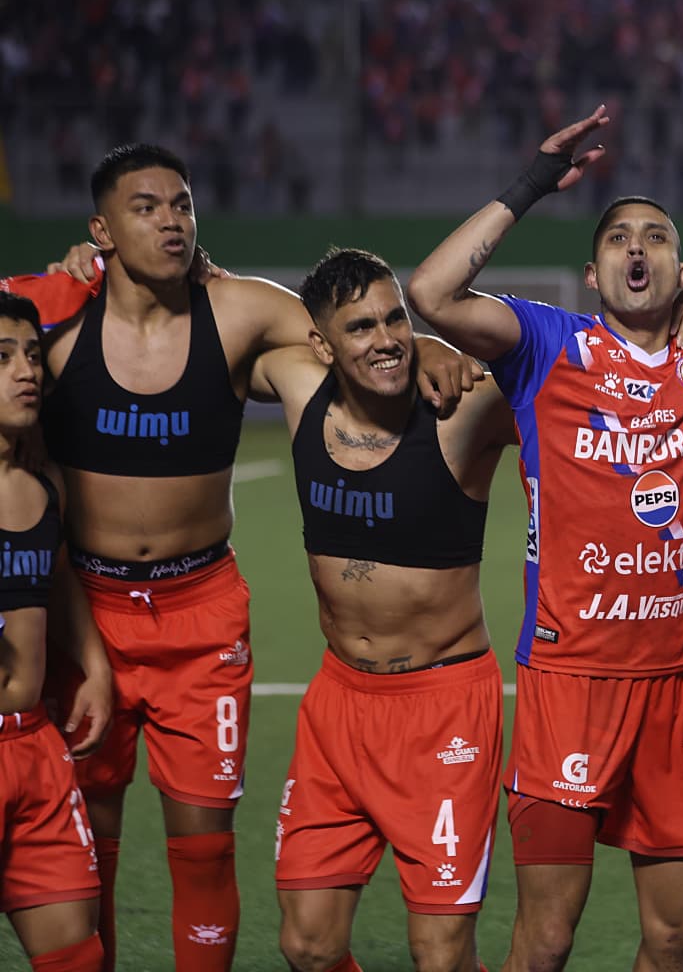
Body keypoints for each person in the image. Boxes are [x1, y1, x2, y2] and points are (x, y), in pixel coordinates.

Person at [22, 143, 477, 972]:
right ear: (101, 229)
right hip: (88, 613)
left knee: (204, 840)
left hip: (199, 614)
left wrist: (432, 348)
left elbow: (353, 345)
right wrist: (62, 278)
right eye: (147, 207)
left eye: (183, 204)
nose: (171, 220)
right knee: (92, 842)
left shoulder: (242, 313)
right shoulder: (56, 328)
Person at [408, 106, 683, 972]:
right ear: (594, 274)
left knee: (679, 935)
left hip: (677, 686)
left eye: (656, 237)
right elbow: (431, 295)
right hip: (568, 686)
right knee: (546, 938)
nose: (637, 249)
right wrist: (528, 187)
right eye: (618, 239)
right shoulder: (551, 345)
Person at [250, 248, 515, 972]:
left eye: (396, 318)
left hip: (444, 712)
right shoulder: (298, 388)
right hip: (340, 704)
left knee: (440, 953)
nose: (388, 338)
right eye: (360, 327)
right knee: (306, 943)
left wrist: (438, 342)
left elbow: (576, 384)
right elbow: (209, 320)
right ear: (321, 344)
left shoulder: (462, 412)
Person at [0, 291, 112, 971]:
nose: (26, 371)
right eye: (3, 357)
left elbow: (57, 574)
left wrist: (94, 664)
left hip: (36, 749)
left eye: (33, 355)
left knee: (77, 954)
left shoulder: (43, 486)